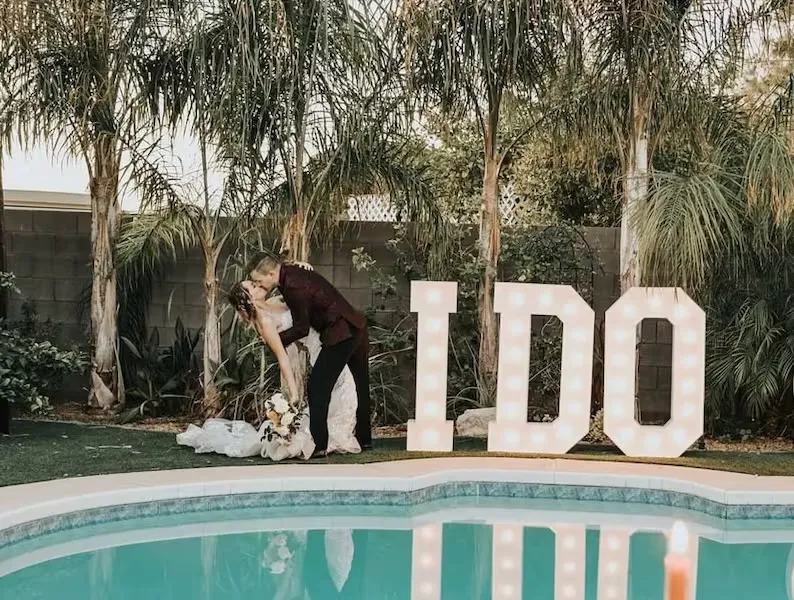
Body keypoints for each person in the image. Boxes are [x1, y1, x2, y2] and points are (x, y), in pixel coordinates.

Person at [246, 253, 373, 455]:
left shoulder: (292, 287)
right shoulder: (291, 274)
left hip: (341, 333)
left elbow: (302, 328)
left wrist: (275, 341)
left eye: (259, 280)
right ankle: (365, 440)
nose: (259, 284)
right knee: (360, 385)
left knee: (317, 387)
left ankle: (319, 445)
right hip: (355, 324)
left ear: (271, 274)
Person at [227, 279, 361, 458]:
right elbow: (283, 359)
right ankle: (324, 438)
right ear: (248, 298)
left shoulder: (275, 302)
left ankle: (326, 435)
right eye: (252, 286)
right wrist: (294, 393)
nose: (257, 285)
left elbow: (301, 297)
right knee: (346, 388)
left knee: (344, 390)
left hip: (326, 338)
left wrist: (306, 271)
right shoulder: (266, 324)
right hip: (321, 349)